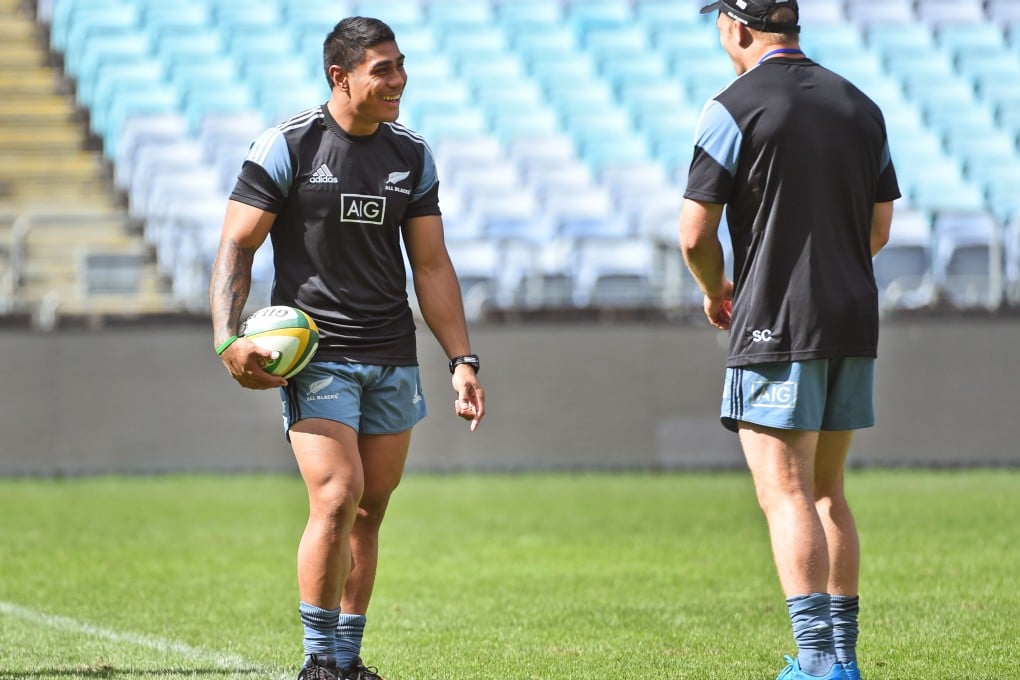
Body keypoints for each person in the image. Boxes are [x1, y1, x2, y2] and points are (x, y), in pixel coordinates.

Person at [208, 16, 486, 680]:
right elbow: (237, 245)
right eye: (382, 69)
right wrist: (227, 337)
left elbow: (432, 265)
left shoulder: (411, 154)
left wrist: (462, 360)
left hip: (392, 353)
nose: (399, 80)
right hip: (317, 355)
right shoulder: (288, 146)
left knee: (370, 510)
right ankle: (315, 662)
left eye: (400, 65)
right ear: (341, 76)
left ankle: (346, 657)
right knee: (336, 495)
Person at [678, 2, 899, 679]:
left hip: (776, 320)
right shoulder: (860, 105)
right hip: (852, 319)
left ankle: (815, 662)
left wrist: (718, 288)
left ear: (735, 28)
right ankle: (844, 661)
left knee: (787, 492)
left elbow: (693, 233)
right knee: (829, 490)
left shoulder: (731, 106)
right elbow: (880, 227)